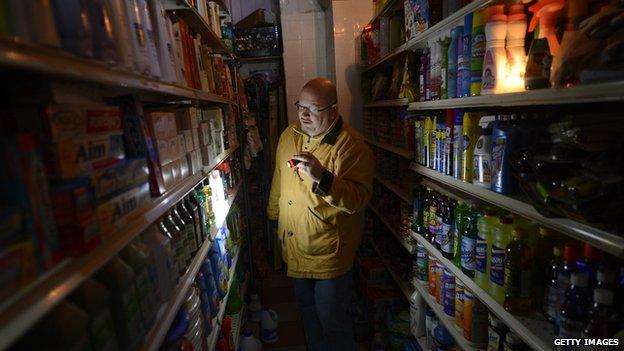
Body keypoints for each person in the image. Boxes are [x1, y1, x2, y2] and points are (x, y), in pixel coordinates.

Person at [267, 78, 374, 350]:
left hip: (329, 255)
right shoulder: (289, 135)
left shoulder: (351, 145)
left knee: (332, 321)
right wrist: (273, 215)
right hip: (294, 244)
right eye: (300, 106)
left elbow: (358, 199)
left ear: (334, 110)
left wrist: (323, 178)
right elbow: (279, 179)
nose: (303, 115)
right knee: (307, 314)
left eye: (312, 109)